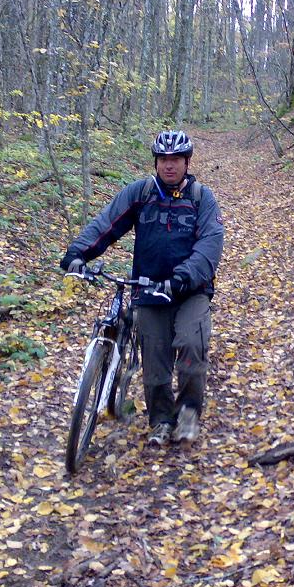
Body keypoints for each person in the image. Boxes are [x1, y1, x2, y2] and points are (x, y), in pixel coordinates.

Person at [60, 130, 224, 446]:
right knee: (155, 363)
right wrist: (78, 253)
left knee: (192, 345)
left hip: (190, 291)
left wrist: (182, 277)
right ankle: (161, 420)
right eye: (163, 159)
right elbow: (106, 224)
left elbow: (210, 245)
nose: (169, 165)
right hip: (148, 289)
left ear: (187, 162)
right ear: (156, 162)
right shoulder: (141, 193)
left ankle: (188, 410)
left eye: (176, 159)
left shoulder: (201, 198)